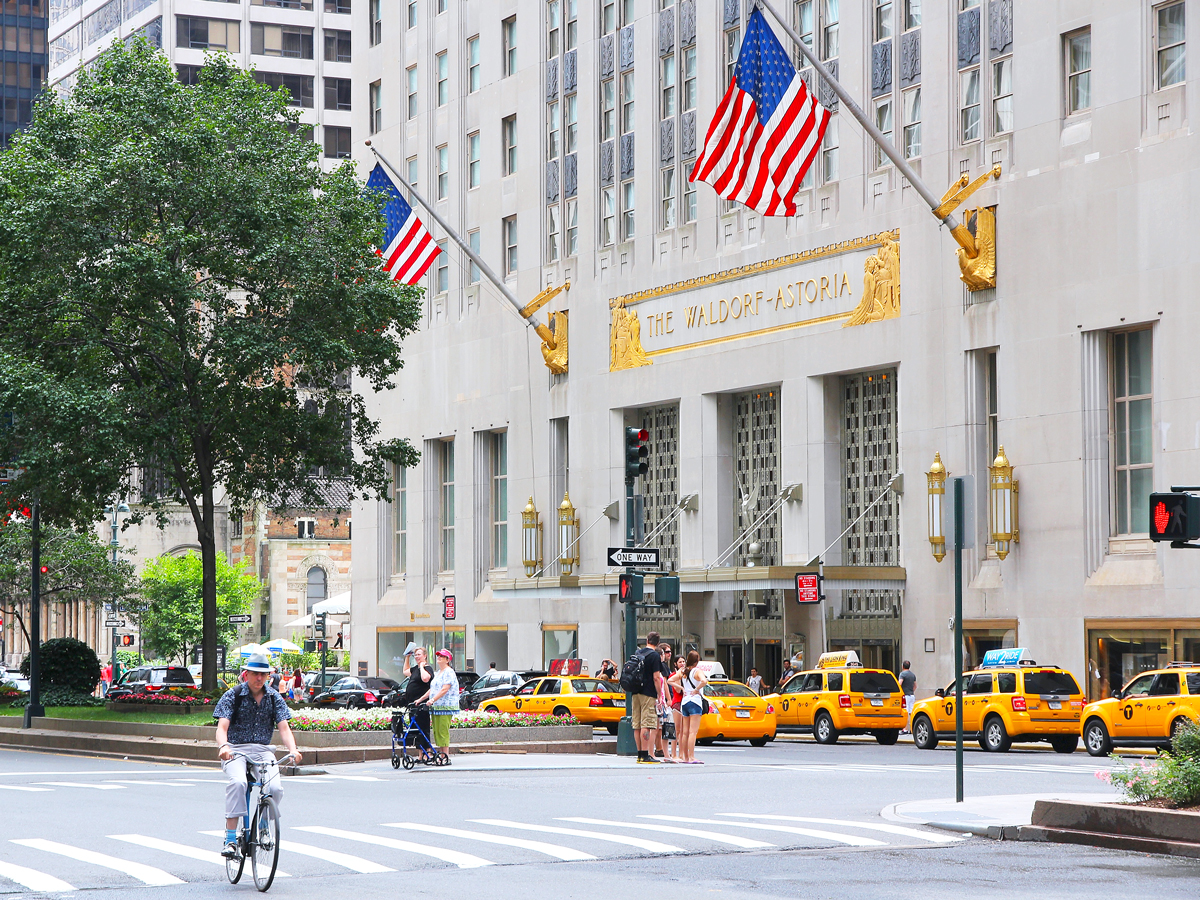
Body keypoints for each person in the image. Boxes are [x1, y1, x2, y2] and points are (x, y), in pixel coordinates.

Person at [214, 652, 301, 859]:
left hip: (263, 750)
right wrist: (224, 746)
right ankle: (231, 839)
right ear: (246, 674)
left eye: (263, 674)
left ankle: (263, 826)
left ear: (269, 676)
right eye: (255, 674)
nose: (259, 678)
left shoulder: (274, 697)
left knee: (275, 788)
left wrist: (293, 750)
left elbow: (284, 728)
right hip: (235, 749)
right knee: (238, 784)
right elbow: (221, 727)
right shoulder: (233, 695)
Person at [669, 650, 715, 764]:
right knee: (693, 732)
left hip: (684, 701)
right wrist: (696, 689)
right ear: (697, 661)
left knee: (684, 732)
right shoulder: (697, 671)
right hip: (695, 701)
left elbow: (670, 680)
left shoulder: (683, 671)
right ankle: (691, 757)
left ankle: (684, 757)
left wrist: (684, 689)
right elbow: (704, 681)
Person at [416, 649, 459, 762]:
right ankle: (441, 754)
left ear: (447, 659)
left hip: (445, 706)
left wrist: (433, 700)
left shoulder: (449, 672)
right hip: (437, 706)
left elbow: (445, 689)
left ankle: (445, 756)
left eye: (442, 656)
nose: (439, 657)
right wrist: (421, 699)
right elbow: (433, 689)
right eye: (438, 656)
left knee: (442, 730)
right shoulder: (438, 673)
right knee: (437, 731)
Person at [632, 632, 666, 764]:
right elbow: (656, 677)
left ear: (647, 640)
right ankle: (646, 755)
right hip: (648, 693)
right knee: (646, 724)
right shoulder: (654, 656)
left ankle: (640, 755)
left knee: (637, 724)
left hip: (635, 692)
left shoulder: (638, 653)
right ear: (657, 643)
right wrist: (659, 694)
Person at [401, 647, 435, 746]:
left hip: (421, 704)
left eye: (419, 654)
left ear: (425, 656)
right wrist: (407, 658)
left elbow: (425, 679)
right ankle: (420, 753)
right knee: (416, 729)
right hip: (412, 703)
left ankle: (427, 752)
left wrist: (421, 667)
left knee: (423, 728)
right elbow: (406, 671)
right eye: (415, 655)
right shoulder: (415, 669)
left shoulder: (427, 668)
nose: (417, 657)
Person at [655, 643, 674, 762]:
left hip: (662, 700)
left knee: (661, 726)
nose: (669, 654)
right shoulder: (661, 667)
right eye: (666, 652)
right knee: (659, 727)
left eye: (669, 652)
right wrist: (667, 698)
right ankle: (658, 749)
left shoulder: (663, 667)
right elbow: (664, 684)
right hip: (659, 700)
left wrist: (668, 699)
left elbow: (665, 684)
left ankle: (661, 750)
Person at [899, 660, 917, 733]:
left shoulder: (902, 674)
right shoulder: (913, 675)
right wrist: (911, 691)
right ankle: (912, 729)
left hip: (905, 695)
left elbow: (899, 684)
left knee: (905, 712)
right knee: (911, 712)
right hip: (912, 695)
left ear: (903, 666)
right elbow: (915, 686)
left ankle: (905, 729)